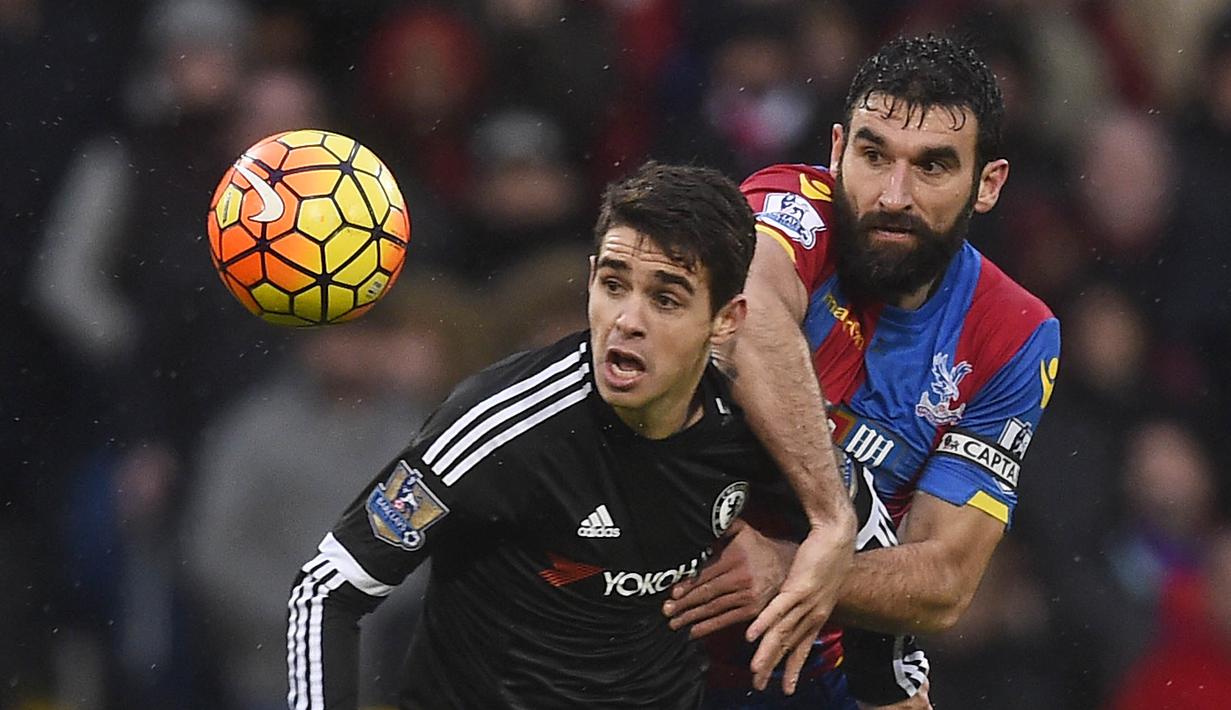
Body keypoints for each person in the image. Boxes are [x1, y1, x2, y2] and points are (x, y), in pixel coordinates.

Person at [286, 161, 823, 709]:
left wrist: (789, 561)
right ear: (590, 280)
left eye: (665, 299)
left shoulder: (758, 425)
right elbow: (327, 592)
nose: (626, 320)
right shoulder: (498, 425)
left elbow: (861, 541)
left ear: (727, 319)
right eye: (614, 285)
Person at [662, 34, 1062, 708]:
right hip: (649, 625)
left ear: (986, 184)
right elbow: (750, 318)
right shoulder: (789, 204)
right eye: (874, 157)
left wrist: (792, 569)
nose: (893, 195)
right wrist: (830, 519)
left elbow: (943, 582)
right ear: (837, 150)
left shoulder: (1015, 334)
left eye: (932, 166)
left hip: (811, 670)